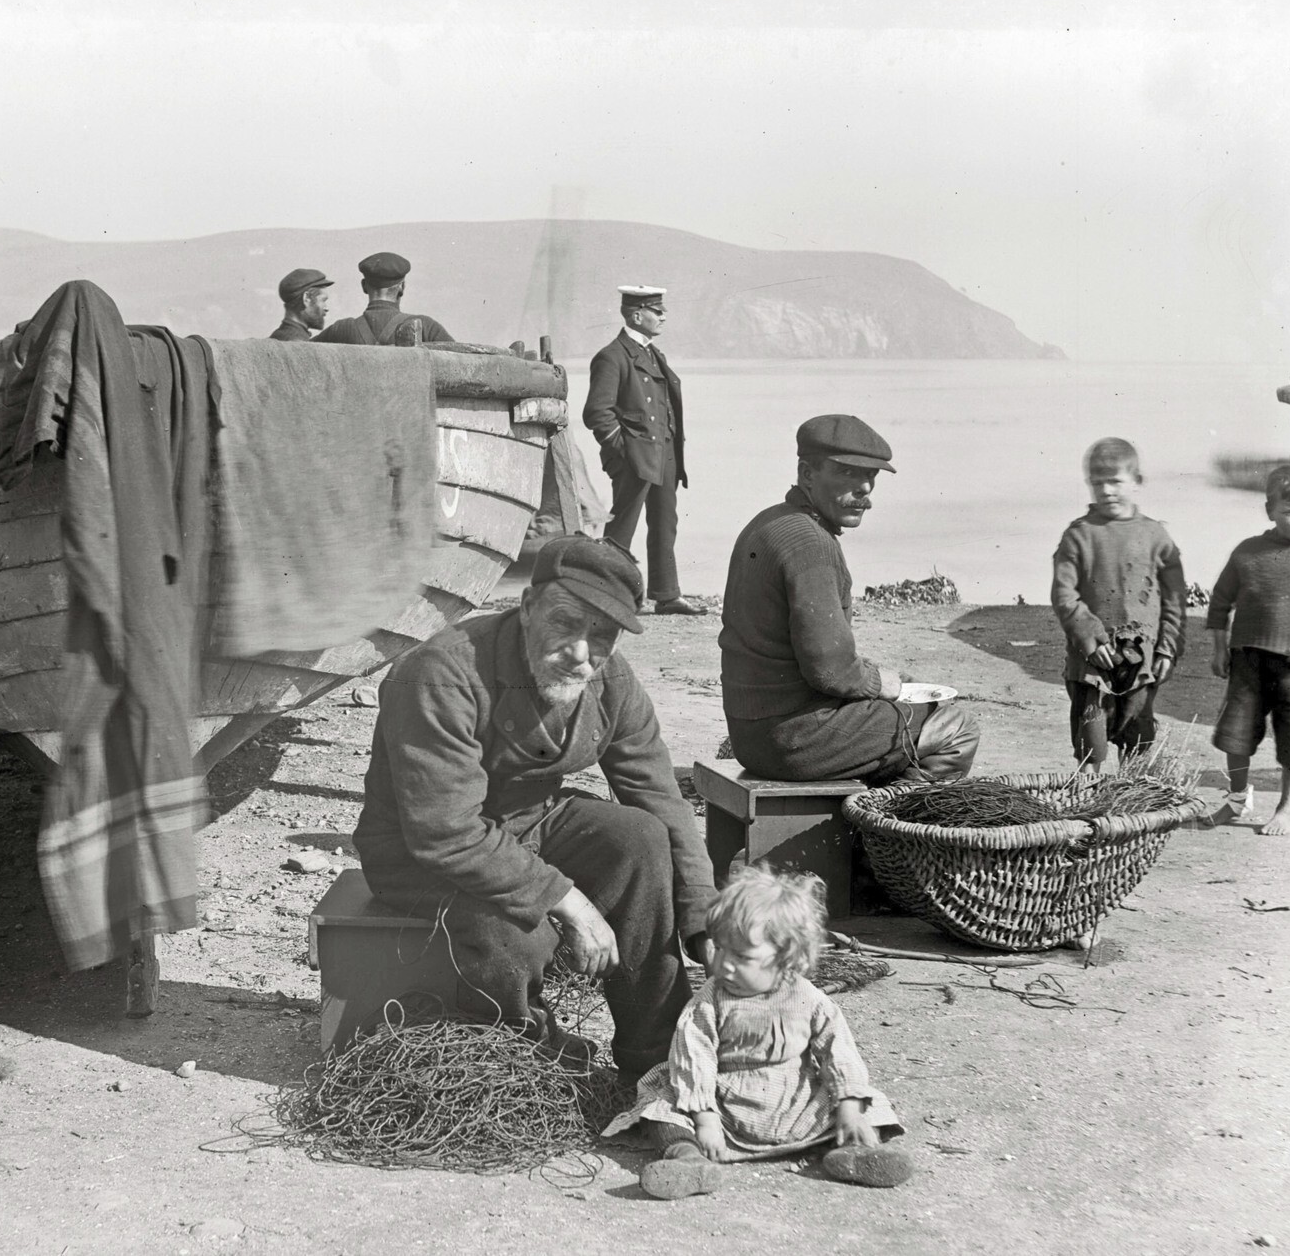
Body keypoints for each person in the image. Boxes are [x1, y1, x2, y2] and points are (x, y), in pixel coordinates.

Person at [351, 536, 715, 1078]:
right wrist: (569, 901)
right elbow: (445, 832)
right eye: (565, 623)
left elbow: (662, 798)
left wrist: (705, 922)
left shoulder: (611, 681)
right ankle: (529, 1061)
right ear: (525, 607)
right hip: (418, 857)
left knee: (640, 837)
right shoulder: (438, 672)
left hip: (529, 826)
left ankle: (656, 1057)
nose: (580, 654)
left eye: (602, 635)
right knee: (520, 934)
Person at [604, 865, 910, 1199]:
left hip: (795, 1105)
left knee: (868, 1102)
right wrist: (705, 1120)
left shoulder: (807, 997)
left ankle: (854, 1151)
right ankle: (688, 1159)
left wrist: (850, 1109)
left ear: (787, 957)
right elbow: (695, 1060)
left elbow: (839, 1051)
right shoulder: (710, 1001)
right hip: (724, 1112)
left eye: (741, 956)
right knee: (661, 1105)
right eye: (719, 949)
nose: (725, 964)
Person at [719, 414, 979, 783]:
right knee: (955, 725)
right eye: (847, 473)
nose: (864, 490)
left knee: (904, 697)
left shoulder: (770, 522)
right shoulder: (811, 544)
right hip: (794, 740)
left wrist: (881, 681)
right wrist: (878, 684)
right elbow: (831, 671)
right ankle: (882, 828)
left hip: (752, 733)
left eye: (870, 477)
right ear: (807, 474)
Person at [1205, 462, 1290, 835]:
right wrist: (1219, 649)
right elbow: (1219, 602)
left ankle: (1286, 808)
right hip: (1247, 660)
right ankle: (1236, 800)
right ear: (1270, 511)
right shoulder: (1248, 553)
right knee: (1236, 732)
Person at [1050, 438, 1187, 772]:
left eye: (1116, 481)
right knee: (1090, 742)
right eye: (1098, 483)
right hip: (1092, 661)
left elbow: (1174, 598)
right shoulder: (1078, 535)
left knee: (1136, 737)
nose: (1107, 491)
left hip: (1140, 659)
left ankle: (1128, 808)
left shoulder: (1156, 537)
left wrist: (1168, 648)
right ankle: (1089, 801)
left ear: (1137, 482)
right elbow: (1064, 594)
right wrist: (1089, 638)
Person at [582, 286, 703, 615]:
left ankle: (667, 594)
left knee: (665, 524)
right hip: (635, 456)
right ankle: (606, 592)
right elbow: (596, 412)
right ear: (637, 316)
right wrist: (624, 450)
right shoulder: (612, 356)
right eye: (656, 310)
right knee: (623, 526)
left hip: (663, 454)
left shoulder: (652, 353)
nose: (664, 316)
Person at [312, 251, 455, 346]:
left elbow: (299, 352)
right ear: (402, 287)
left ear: (364, 286)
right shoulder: (426, 326)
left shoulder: (342, 329)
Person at [268, 268, 332, 341]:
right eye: (323, 300)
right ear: (307, 298)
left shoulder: (278, 336)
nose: (326, 308)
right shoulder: (297, 342)